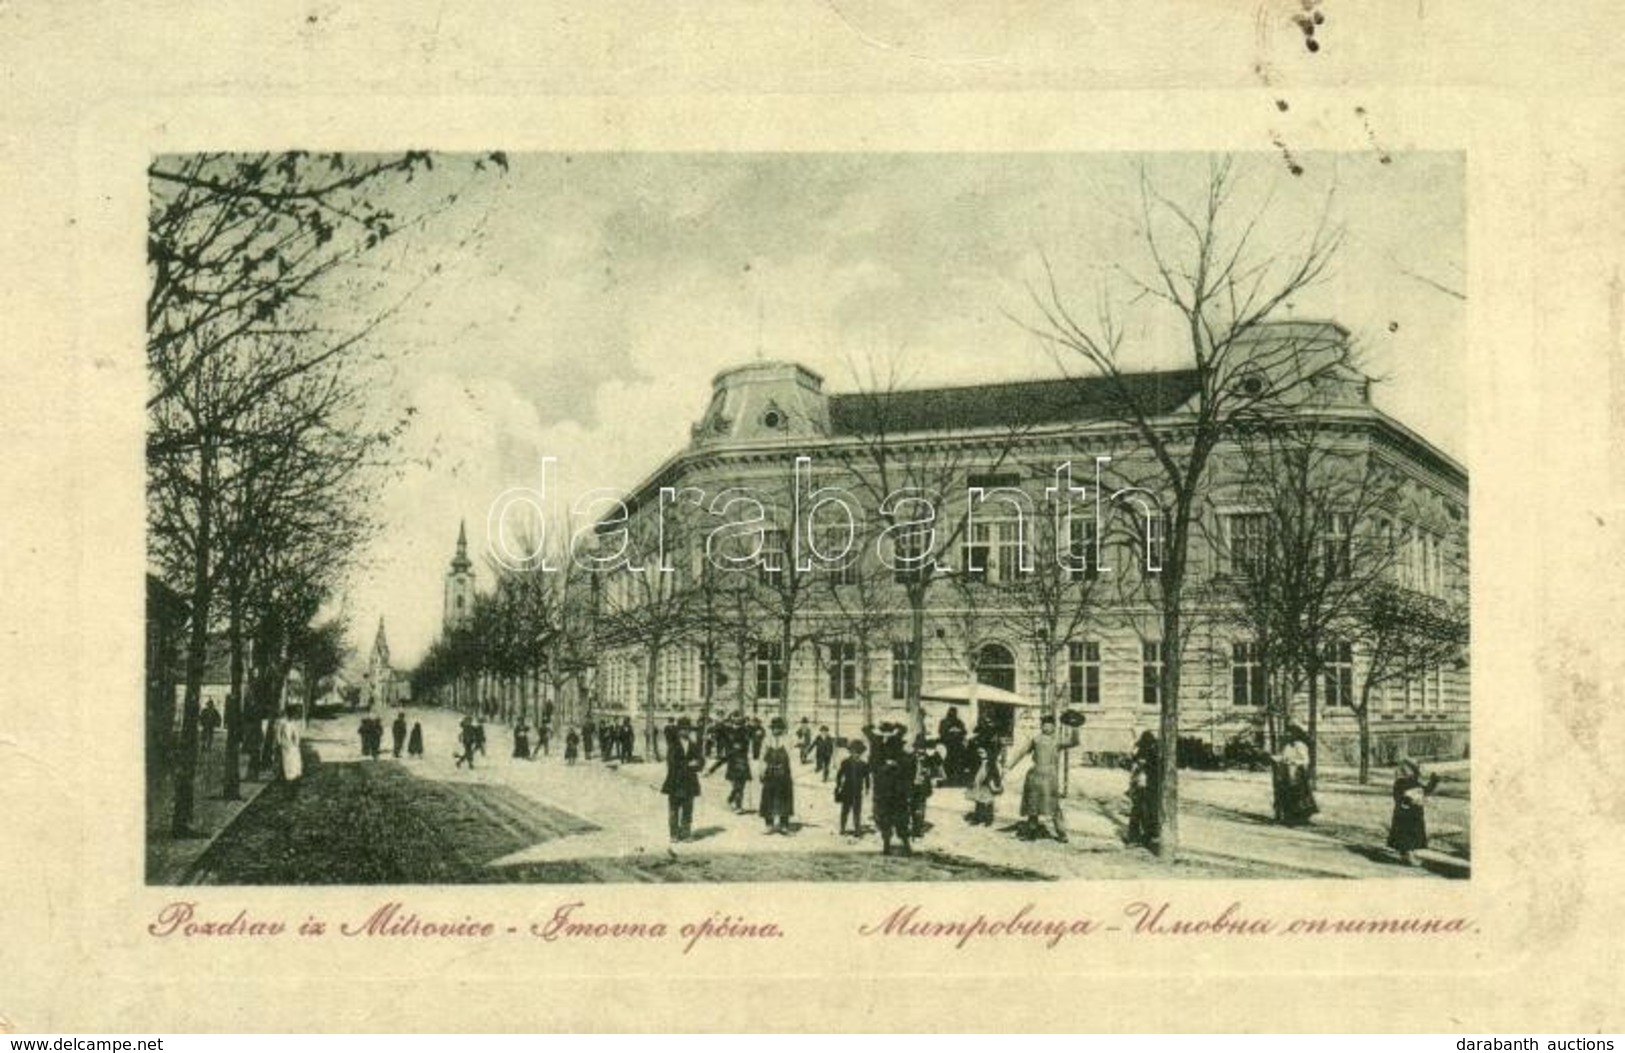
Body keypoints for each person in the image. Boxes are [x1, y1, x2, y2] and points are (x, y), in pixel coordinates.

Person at [1008, 713, 1073, 842]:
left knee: (1053, 805)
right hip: (1035, 775)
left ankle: (1062, 834)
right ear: (1041, 726)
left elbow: (1074, 742)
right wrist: (1008, 766)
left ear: (1054, 727)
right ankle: (1032, 832)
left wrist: (1075, 726)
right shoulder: (1035, 740)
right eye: (1045, 725)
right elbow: (1021, 753)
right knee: (1033, 804)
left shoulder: (1057, 741)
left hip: (1050, 777)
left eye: (1050, 725)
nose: (1047, 727)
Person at [870, 723, 916, 856]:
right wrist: (885, 766)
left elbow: (907, 766)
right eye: (884, 733)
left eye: (889, 733)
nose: (886, 736)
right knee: (885, 819)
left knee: (901, 819)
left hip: (898, 790)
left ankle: (906, 845)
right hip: (883, 790)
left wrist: (896, 764)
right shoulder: (877, 746)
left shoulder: (897, 744)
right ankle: (886, 846)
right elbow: (873, 767)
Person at [1387, 760, 1441, 866]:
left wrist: (1434, 780)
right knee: (1407, 836)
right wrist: (1406, 800)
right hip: (1405, 815)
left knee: (1411, 836)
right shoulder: (1400, 783)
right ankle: (1409, 857)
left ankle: (1406, 856)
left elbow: (1425, 791)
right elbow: (1397, 797)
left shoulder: (1414, 782)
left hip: (1414, 814)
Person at [661, 718, 704, 842]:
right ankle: (674, 834)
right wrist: (689, 765)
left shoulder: (694, 744)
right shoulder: (673, 745)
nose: (685, 731)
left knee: (688, 808)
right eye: (683, 729)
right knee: (674, 809)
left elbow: (701, 760)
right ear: (678, 730)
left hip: (690, 781)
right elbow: (672, 763)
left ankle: (686, 833)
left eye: (687, 729)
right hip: (675, 781)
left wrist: (698, 764)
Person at [1273, 726, 1318, 826]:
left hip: (1298, 773)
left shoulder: (1300, 745)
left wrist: (1293, 761)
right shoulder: (1287, 746)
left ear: (1295, 734)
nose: (1287, 735)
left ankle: (1301, 819)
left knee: (1299, 795)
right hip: (1287, 773)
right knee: (1288, 794)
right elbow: (1283, 757)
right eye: (1286, 733)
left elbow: (1306, 760)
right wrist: (1276, 758)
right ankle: (1290, 818)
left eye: (1289, 733)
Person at [758, 716, 796, 834]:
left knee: (784, 799)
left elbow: (792, 757)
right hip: (770, 774)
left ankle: (784, 825)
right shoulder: (766, 740)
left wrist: (793, 773)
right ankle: (769, 825)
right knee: (768, 799)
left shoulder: (788, 739)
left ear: (782, 729)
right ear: (771, 729)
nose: (776, 730)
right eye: (774, 728)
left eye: (779, 728)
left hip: (784, 774)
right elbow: (762, 757)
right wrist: (761, 771)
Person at [1125, 730, 1161, 848]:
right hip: (1147, 787)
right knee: (1148, 811)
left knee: (1139, 812)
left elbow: (1133, 767)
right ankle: (1148, 835)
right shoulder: (1152, 752)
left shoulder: (1147, 753)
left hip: (1144, 786)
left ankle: (1137, 837)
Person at [834, 739, 870, 836]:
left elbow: (867, 777)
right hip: (847, 790)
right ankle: (842, 828)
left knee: (857, 810)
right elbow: (839, 775)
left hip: (858, 791)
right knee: (845, 810)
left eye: (858, 752)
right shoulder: (845, 762)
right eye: (854, 752)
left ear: (861, 753)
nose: (856, 754)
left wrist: (867, 788)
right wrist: (838, 786)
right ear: (850, 752)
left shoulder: (864, 765)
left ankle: (857, 829)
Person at [911, 736, 944, 839]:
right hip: (911, 787)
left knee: (920, 808)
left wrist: (933, 753)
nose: (920, 750)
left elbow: (938, 763)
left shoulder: (929, 757)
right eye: (918, 748)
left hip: (923, 787)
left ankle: (918, 829)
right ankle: (915, 826)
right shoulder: (910, 757)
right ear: (915, 748)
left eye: (923, 748)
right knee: (913, 808)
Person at [965, 743, 1002, 826]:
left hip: (987, 784)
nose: (980, 755)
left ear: (988, 753)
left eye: (982, 753)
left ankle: (988, 819)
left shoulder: (991, 763)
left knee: (988, 802)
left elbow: (994, 774)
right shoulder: (979, 762)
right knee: (979, 801)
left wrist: (995, 784)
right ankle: (978, 818)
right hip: (980, 784)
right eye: (979, 753)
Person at [937, 706, 968, 783]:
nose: (952, 714)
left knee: (958, 759)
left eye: (954, 713)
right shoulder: (944, 722)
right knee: (948, 759)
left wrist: (958, 731)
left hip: (957, 744)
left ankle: (957, 775)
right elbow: (941, 732)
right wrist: (950, 731)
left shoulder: (959, 722)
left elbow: (964, 732)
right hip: (947, 743)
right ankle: (950, 775)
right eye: (951, 712)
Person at [274, 712, 303, 786]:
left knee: (291, 759)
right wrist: (279, 742)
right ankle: (285, 774)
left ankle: (292, 774)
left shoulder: (292, 723)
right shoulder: (283, 723)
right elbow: (278, 734)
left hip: (290, 745)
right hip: (285, 744)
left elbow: (296, 734)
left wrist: (296, 743)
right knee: (285, 759)